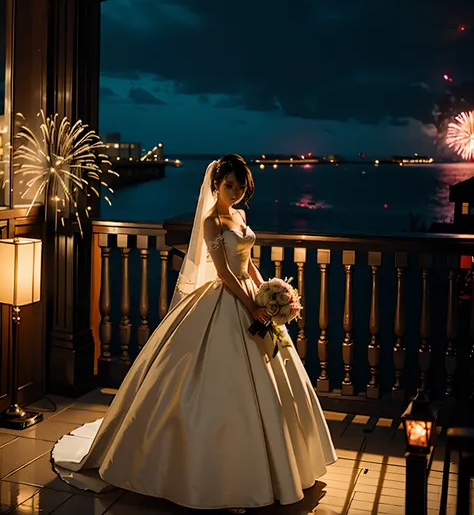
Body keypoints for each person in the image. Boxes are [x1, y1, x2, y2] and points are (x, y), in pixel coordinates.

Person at [51, 154, 337, 511]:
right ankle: (220, 475)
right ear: (215, 184)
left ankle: (276, 464)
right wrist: (252, 307)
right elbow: (225, 273)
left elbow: (247, 264)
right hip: (226, 298)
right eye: (228, 184)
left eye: (239, 185)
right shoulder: (210, 221)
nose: (234, 191)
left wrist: (269, 289)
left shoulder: (240, 215)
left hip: (250, 295)